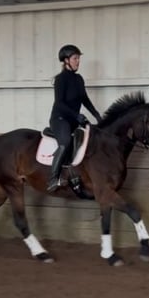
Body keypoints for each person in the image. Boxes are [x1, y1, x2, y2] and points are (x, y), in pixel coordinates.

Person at [46, 44, 103, 192]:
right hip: (60, 119)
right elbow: (59, 103)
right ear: (66, 60)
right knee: (65, 143)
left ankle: (75, 175)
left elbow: (84, 99)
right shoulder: (60, 79)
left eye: (78, 58)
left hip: (73, 120)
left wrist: (97, 115)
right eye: (75, 58)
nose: (78, 61)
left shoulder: (79, 79)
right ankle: (53, 178)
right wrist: (77, 115)